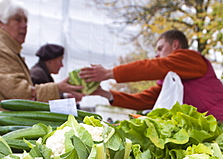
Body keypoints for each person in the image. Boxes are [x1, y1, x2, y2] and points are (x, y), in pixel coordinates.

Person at [0, 0, 83, 140]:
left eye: (25, 20)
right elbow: (21, 93)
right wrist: (58, 88)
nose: (25, 25)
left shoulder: (3, 48)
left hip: (2, 128)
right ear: (0, 23)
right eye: (18, 20)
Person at [79, 29, 223, 121]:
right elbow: (143, 100)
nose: (156, 55)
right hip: (205, 126)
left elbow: (155, 66)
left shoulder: (191, 58)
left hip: (218, 121)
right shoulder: (170, 80)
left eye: (160, 48)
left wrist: (108, 73)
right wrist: (104, 93)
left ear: (175, 45)